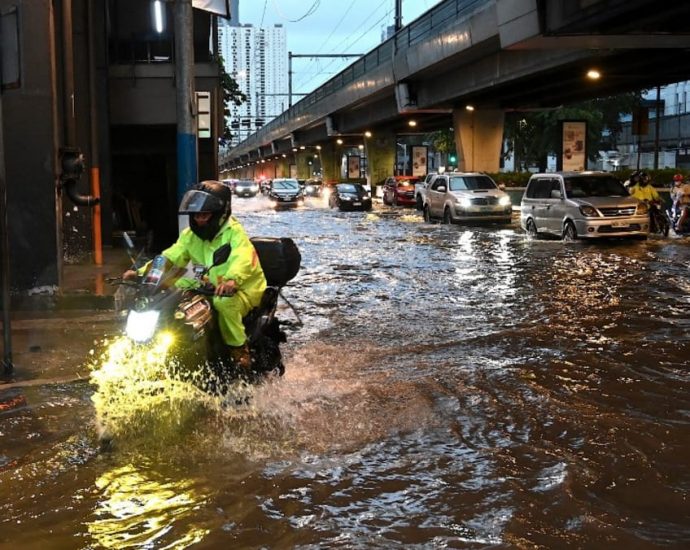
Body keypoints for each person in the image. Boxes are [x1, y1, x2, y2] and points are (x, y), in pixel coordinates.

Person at [123, 180, 266, 369]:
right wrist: (143, 273)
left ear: (220, 214)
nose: (199, 220)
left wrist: (232, 280)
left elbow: (243, 259)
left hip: (241, 289)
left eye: (204, 215)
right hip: (210, 286)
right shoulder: (190, 236)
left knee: (224, 305)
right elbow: (171, 257)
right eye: (196, 215)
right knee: (175, 297)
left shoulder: (234, 234)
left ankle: (239, 351)